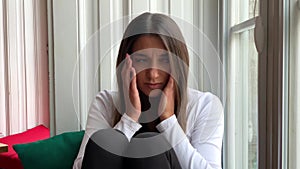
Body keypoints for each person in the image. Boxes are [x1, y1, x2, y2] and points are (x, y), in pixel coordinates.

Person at [73, 12, 224, 169]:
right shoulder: (106, 102)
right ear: (126, 63)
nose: (153, 74)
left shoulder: (205, 105)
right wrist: (129, 119)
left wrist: (169, 122)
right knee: (106, 140)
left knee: (147, 145)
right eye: (142, 60)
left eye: (164, 60)